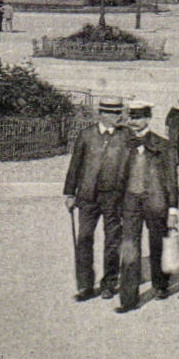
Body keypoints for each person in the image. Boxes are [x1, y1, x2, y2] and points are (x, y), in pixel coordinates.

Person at [63, 97, 132, 302]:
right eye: (110, 113)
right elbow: (75, 166)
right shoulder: (86, 135)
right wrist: (69, 193)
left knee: (112, 241)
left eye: (117, 112)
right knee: (84, 238)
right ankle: (85, 285)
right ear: (101, 114)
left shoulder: (126, 136)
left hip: (114, 197)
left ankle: (109, 283)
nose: (115, 117)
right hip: (88, 197)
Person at [114, 101, 179, 312]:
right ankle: (128, 299)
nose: (135, 122)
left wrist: (173, 210)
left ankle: (160, 284)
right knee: (130, 248)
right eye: (132, 117)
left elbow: (171, 180)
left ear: (149, 118)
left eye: (140, 117)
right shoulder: (123, 144)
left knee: (157, 245)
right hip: (130, 202)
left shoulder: (163, 145)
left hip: (156, 203)